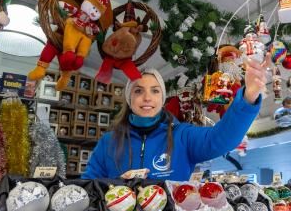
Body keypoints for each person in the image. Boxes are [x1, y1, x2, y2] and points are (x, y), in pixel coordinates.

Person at [82, 54, 271, 180]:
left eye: (155, 91)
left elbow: (221, 139)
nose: (147, 97)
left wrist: (248, 97)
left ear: (162, 98)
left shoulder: (182, 136)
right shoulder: (108, 142)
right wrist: (117, 187)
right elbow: (90, 188)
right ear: (129, 99)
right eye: (138, 91)